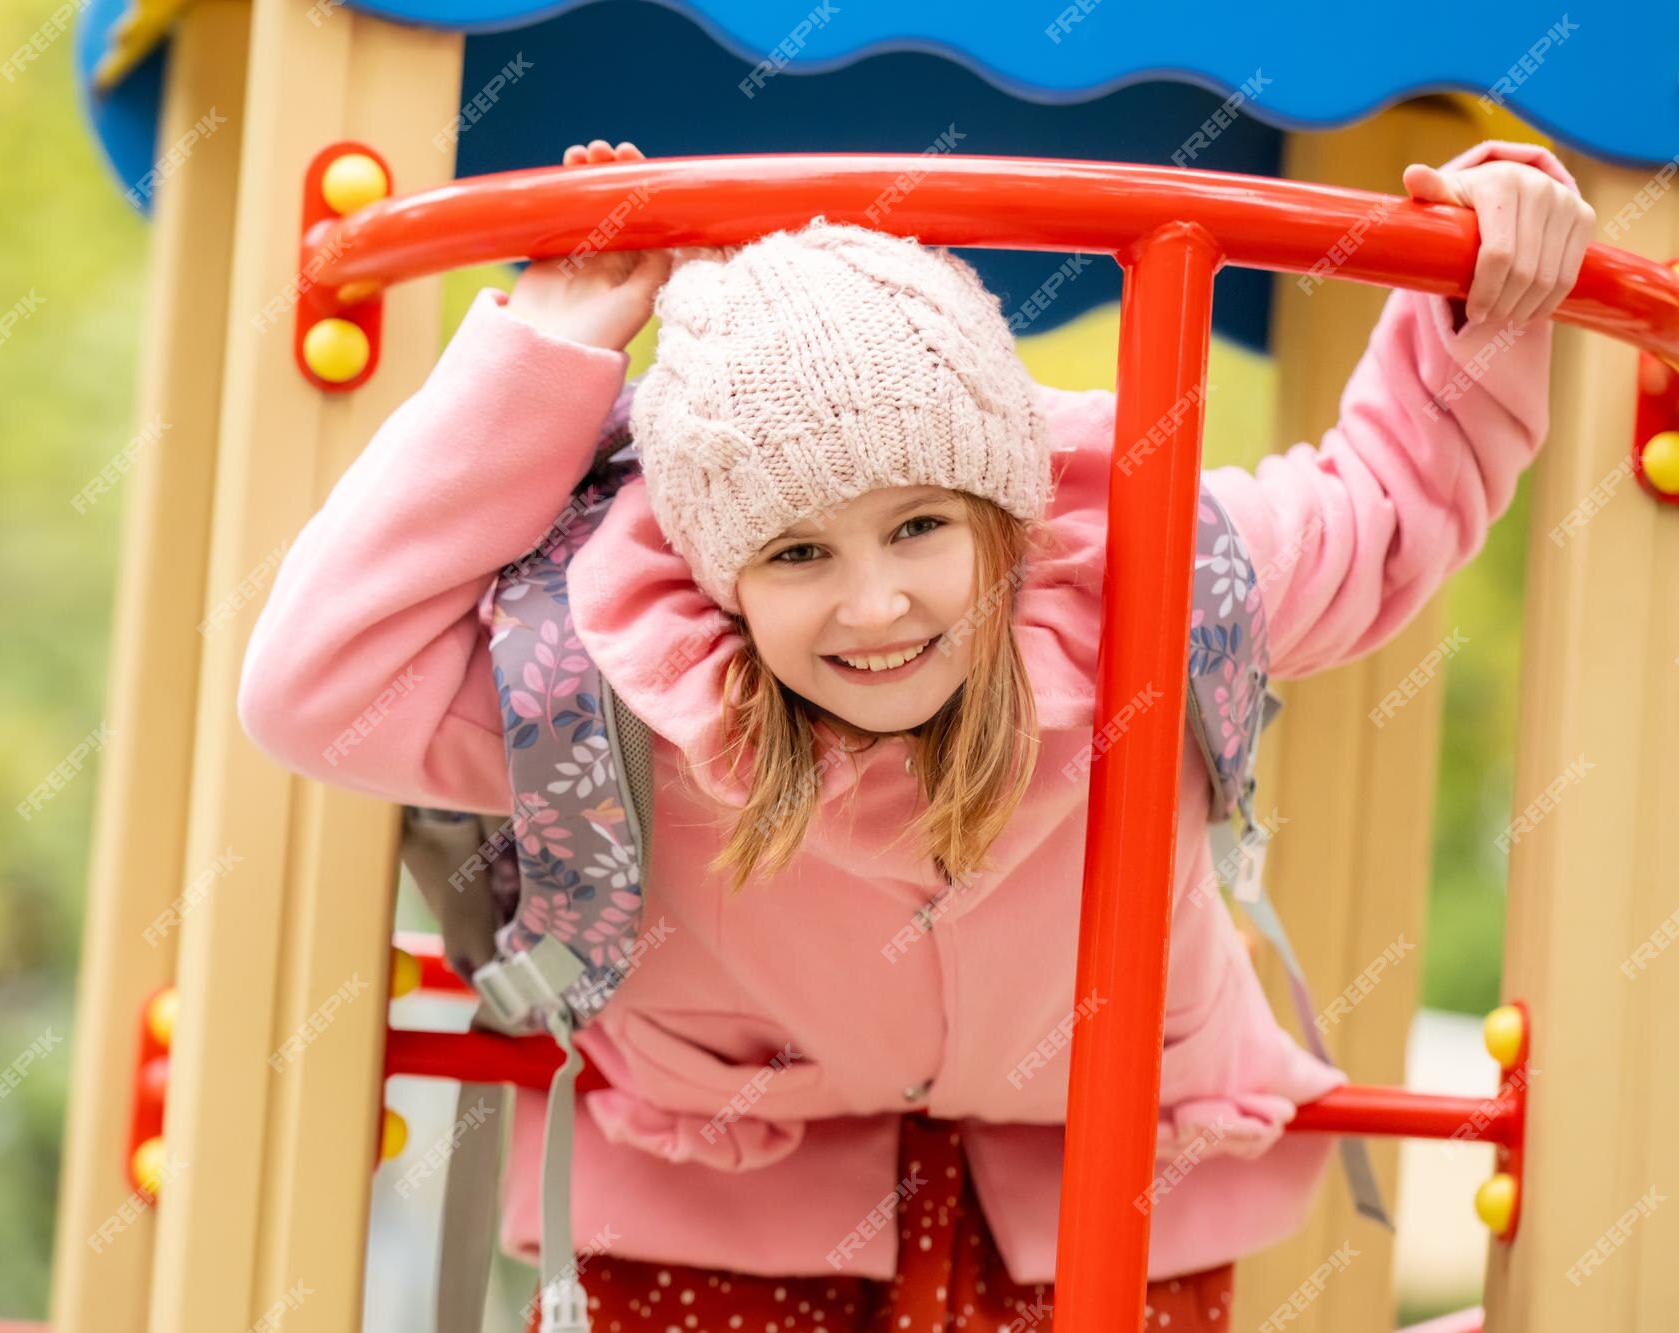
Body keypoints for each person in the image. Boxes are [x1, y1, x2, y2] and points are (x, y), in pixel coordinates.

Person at [236, 137, 1594, 1331]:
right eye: (797, 552)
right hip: (709, 1209)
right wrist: (547, 354)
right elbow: (314, 681)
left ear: (1004, 515)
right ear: (715, 574)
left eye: (921, 526)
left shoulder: (1155, 577)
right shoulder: (618, 685)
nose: (874, 603)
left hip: (1105, 1187)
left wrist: (1486, 269)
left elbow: (1389, 505)